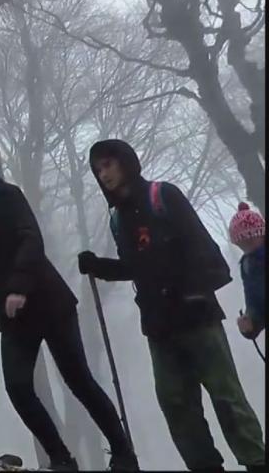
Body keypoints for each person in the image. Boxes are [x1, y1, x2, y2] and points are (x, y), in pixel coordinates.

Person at [0, 147, 138, 471]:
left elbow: (30, 239)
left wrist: (18, 286)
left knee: (78, 380)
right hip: (12, 316)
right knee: (18, 387)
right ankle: (60, 457)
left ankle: (122, 452)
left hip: (47, 301)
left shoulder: (5, 195)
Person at [78, 139, 264, 472]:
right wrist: (99, 266)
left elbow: (203, 248)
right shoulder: (118, 219)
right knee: (176, 405)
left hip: (197, 316)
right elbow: (135, 267)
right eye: (98, 169)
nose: (104, 174)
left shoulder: (163, 196)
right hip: (158, 326)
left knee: (226, 397)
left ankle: (257, 462)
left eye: (108, 164)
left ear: (125, 162)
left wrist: (191, 290)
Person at [229, 202, 265, 341]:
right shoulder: (247, 266)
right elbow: (255, 305)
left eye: (250, 239)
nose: (246, 246)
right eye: (242, 243)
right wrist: (251, 325)